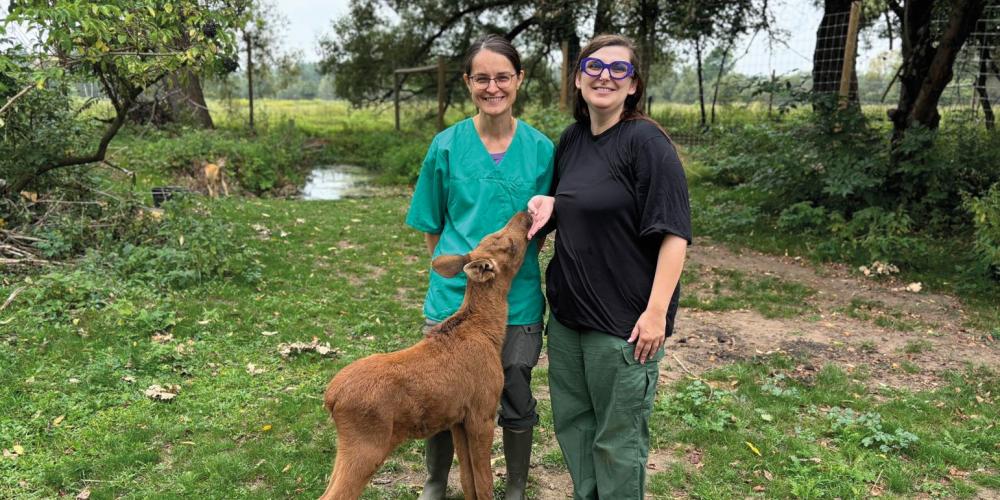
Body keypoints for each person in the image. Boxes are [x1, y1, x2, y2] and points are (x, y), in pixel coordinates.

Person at [526, 34, 691, 499]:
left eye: (619, 69)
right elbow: (576, 202)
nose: (605, 76)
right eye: (594, 67)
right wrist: (550, 202)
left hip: (623, 326)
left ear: (634, 85)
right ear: (578, 78)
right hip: (568, 319)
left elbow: (674, 234)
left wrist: (656, 312)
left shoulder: (646, 143)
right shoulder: (573, 139)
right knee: (575, 430)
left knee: (618, 443)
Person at [405, 34, 554, 500]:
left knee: (513, 389)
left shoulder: (541, 150)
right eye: (482, 78)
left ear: (519, 80)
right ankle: (435, 484)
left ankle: (512, 488)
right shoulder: (446, 146)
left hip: (517, 300)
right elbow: (433, 227)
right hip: (454, 298)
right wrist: (459, 267)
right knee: (440, 392)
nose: (493, 87)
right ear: (469, 83)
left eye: (503, 77)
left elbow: (545, 224)